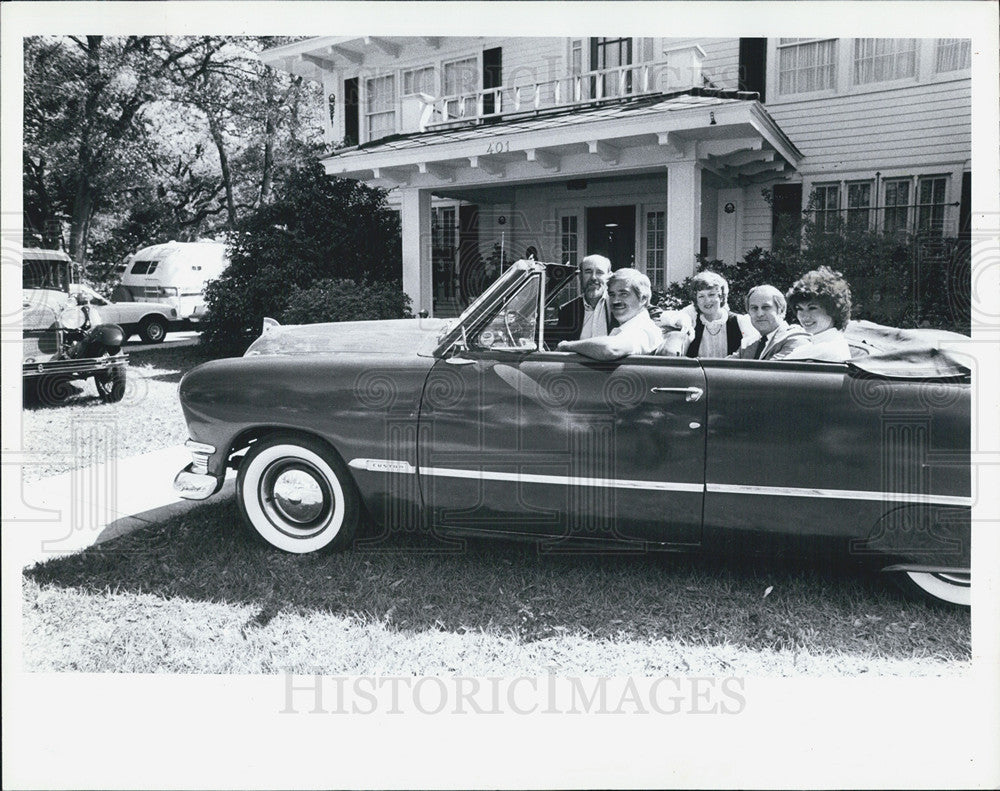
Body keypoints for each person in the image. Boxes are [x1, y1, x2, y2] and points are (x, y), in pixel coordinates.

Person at [557, 268, 662, 359]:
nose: (615, 301)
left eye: (623, 294)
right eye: (612, 295)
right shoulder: (628, 327)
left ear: (643, 299)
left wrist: (566, 346)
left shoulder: (642, 329)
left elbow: (609, 349)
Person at [783, 267, 853, 362]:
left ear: (833, 310)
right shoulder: (816, 345)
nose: (804, 316)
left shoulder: (824, 349)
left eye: (812, 308)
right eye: (799, 309)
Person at [681, 271, 757, 357]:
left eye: (711, 295)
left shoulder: (740, 322)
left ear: (721, 297)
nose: (707, 301)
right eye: (701, 296)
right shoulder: (692, 322)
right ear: (696, 300)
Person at [547, 254, 613, 344]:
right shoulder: (567, 310)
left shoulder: (618, 307)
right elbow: (561, 349)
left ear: (609, 277)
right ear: (580, 276)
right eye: (588, 271)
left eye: (599, 272)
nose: (593, 277)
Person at [734, 284, 811, 360]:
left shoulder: (796, 339)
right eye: (754, 308)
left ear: (781, 310)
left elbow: (769, 371)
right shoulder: (747, 345)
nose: (759, 314)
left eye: (766, 307)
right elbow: (724, 367)